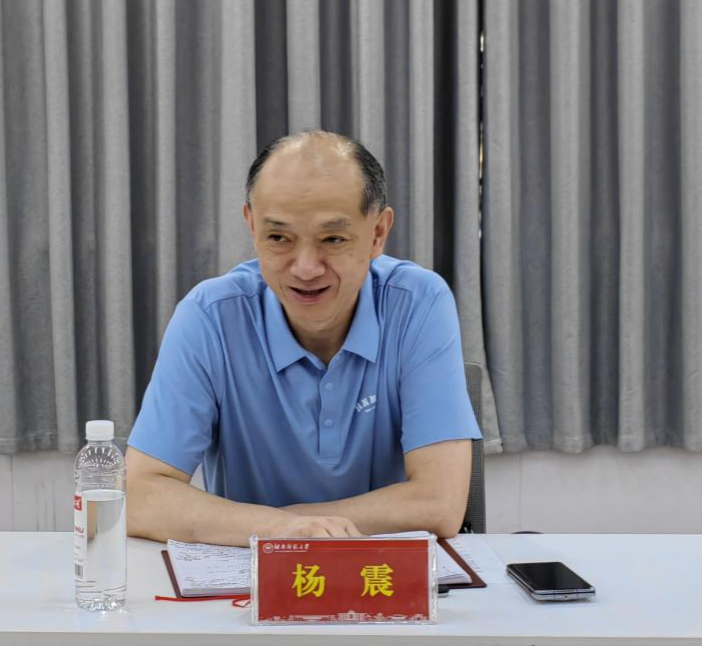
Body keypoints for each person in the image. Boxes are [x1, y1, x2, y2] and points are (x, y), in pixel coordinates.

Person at [126, 130, 480, 546]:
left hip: (381, 572)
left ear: (378, 233)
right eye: (279, 238)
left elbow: (439, 504)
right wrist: (280, 530)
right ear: (251, 225)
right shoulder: (210, 317)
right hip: (252, 578)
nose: (306, 268)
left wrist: (282, 527)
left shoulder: (417, 303)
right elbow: (139, 496)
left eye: (333, 239)